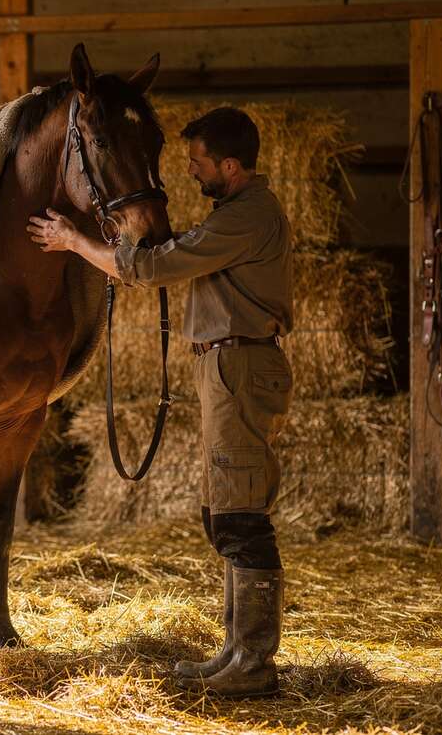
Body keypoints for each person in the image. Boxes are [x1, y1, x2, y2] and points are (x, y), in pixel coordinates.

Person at [27, 107, 293, 698]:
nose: (190, 174)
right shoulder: (233, 215)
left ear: (229, 165)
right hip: (227, 366)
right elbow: (170, 254)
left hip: (240, 366)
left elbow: (156, 266)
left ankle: (254, 663)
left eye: (198, 162)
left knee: (240, 516)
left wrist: (73, 241)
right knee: (224, 511)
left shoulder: (249, 216)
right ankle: (236, 652)